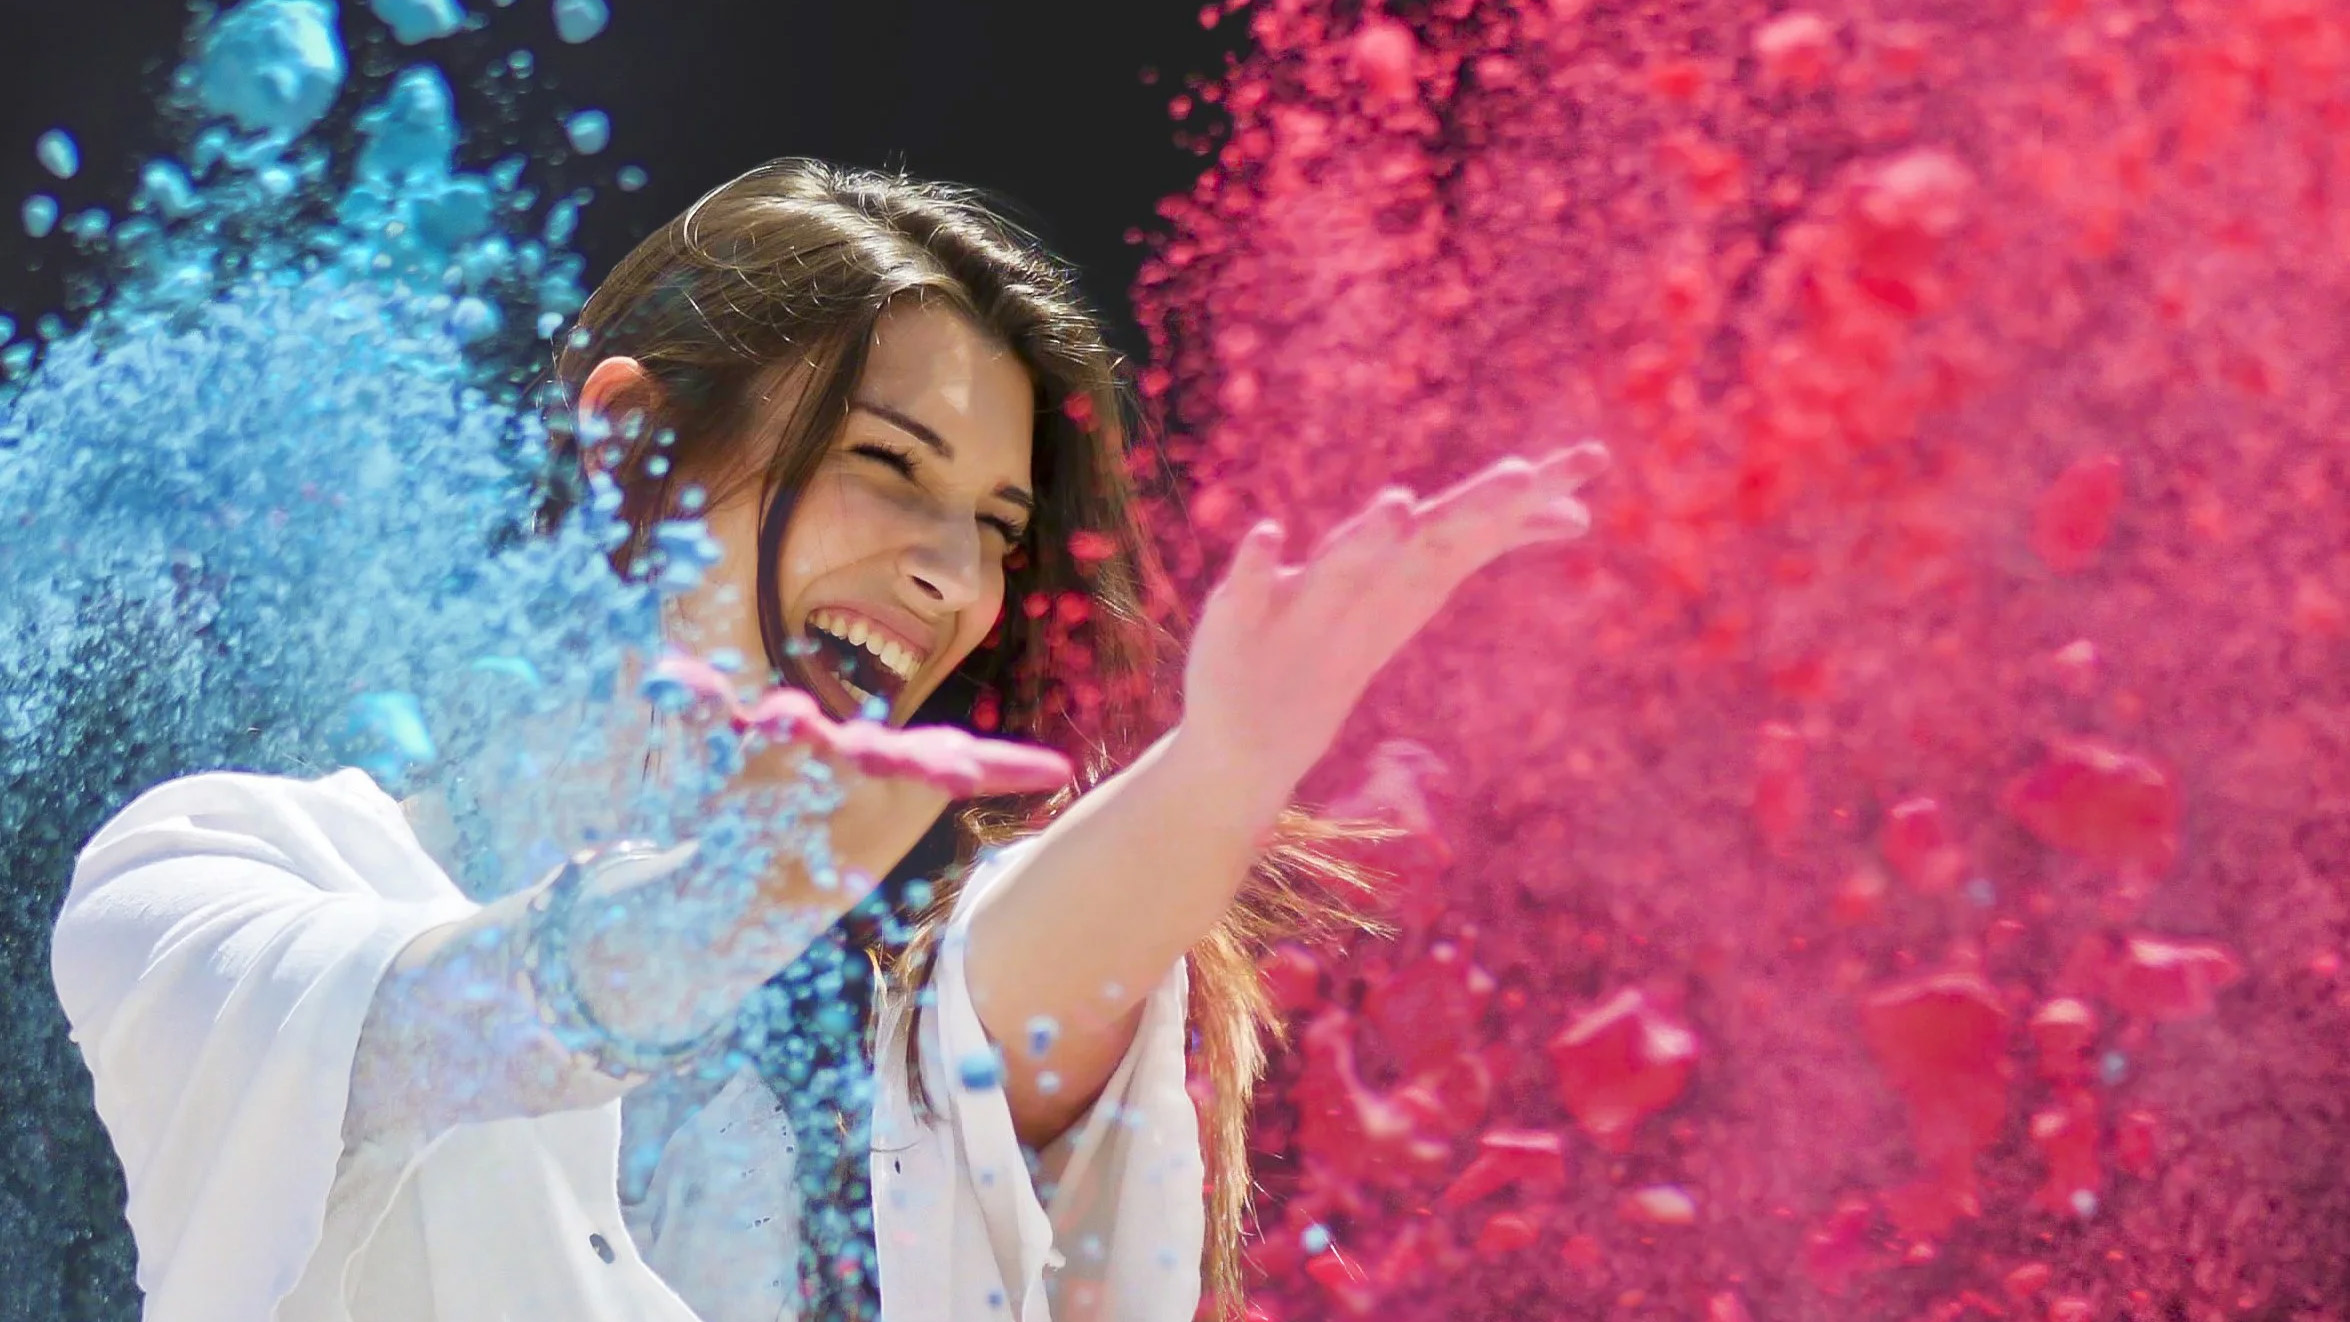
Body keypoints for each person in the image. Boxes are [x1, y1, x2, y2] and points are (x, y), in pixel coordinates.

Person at [50, 158, 1608, 1322]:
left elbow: (999, 1046)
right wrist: (760, 879)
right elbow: (436, 1029)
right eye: (887, 466)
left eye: (997, 528)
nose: (954, 579)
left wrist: (1221, 771)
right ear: (629, 443)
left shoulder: (805, 1073)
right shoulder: (220, 866)